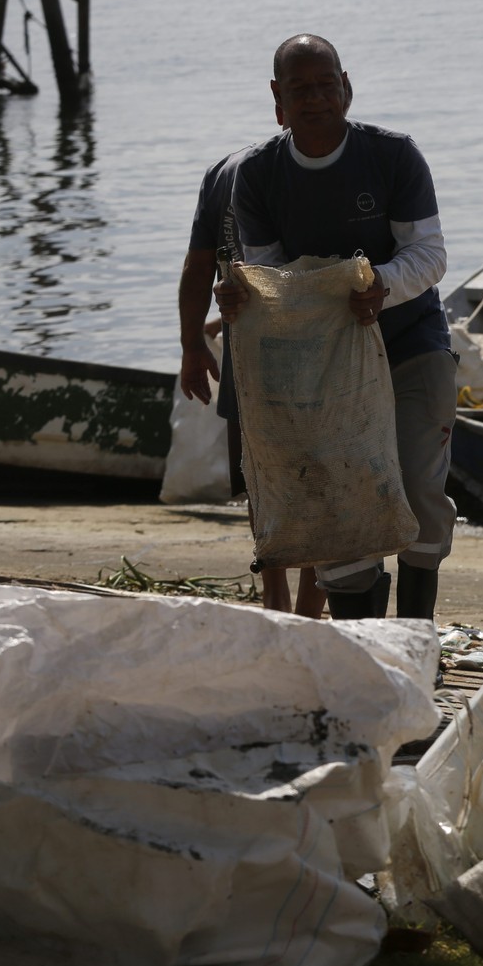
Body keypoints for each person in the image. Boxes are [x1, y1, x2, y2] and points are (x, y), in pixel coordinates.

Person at [218, 34, 457, 621]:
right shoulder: (256, 174)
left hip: (410, 344)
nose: (316, 98)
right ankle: (363, 642)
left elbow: (428, 256)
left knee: (422, 488)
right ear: (278, 100)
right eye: (300, 89)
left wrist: (381, 285)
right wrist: (240, 292)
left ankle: (417, 632)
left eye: (327, 84)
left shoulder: (394, 156)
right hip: (316, 365)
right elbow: (269, 276)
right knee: (334, 499)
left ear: (347, 87)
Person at [177, 148, 325, 618]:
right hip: (277, 349)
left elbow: (199, 265)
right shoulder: (234, 174)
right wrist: (193, 346)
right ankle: (287, 606)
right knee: (300, 477)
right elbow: (201, 265)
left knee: (276, 477)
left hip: (281, 344)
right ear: (280, 105)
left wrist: (193, 344)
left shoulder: (224, 170)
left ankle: (288, 606)